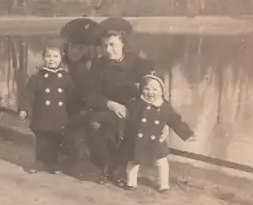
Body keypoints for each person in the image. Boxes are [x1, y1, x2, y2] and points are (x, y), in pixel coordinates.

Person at [85, 17, 168, 185]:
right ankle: (108, 166)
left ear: (123, 44)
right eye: (105, 46)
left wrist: (163, 118)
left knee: (132, 126)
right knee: (99, 125)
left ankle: (123, 167)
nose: (108, 50)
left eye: (113, 45)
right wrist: (110, 104)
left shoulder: (139, 64)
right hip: (108, 108)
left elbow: (156, 88)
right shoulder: (97, 66)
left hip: (134, 108)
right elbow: (90, 94)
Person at [120, 72, 196, 193]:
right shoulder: (136, 104)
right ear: (142, 89)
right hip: (138, 139)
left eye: (155, 89)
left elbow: (176, 121)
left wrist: (187, 134)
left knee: (162, 162)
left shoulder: (165, 108)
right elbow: (127, 118)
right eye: (147, 89)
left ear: (161, 91)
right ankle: (131, 182)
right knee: (133, 160)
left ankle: (164, 184)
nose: (150, 93)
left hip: (156, 140)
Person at [18, 42, 74, 175]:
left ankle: (53, 163)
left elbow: (72, 96)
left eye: (55, 56)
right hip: (42, 115)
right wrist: (24, 109)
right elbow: (28, 95)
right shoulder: (37, 77)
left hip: (59, 115)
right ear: (43, 59)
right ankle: (39, 162)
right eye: (48, 56)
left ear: (61, 58)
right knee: (42, 139)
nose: (52, 59)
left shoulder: (65, 78)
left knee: (55, 140)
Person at [59, 18, 100, 166]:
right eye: (73, 47)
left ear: (88, 49)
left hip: (85, 106)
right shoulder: (62, 64)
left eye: (81, 48)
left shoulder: (92, 66)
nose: (76, 51)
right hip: (66, 105)